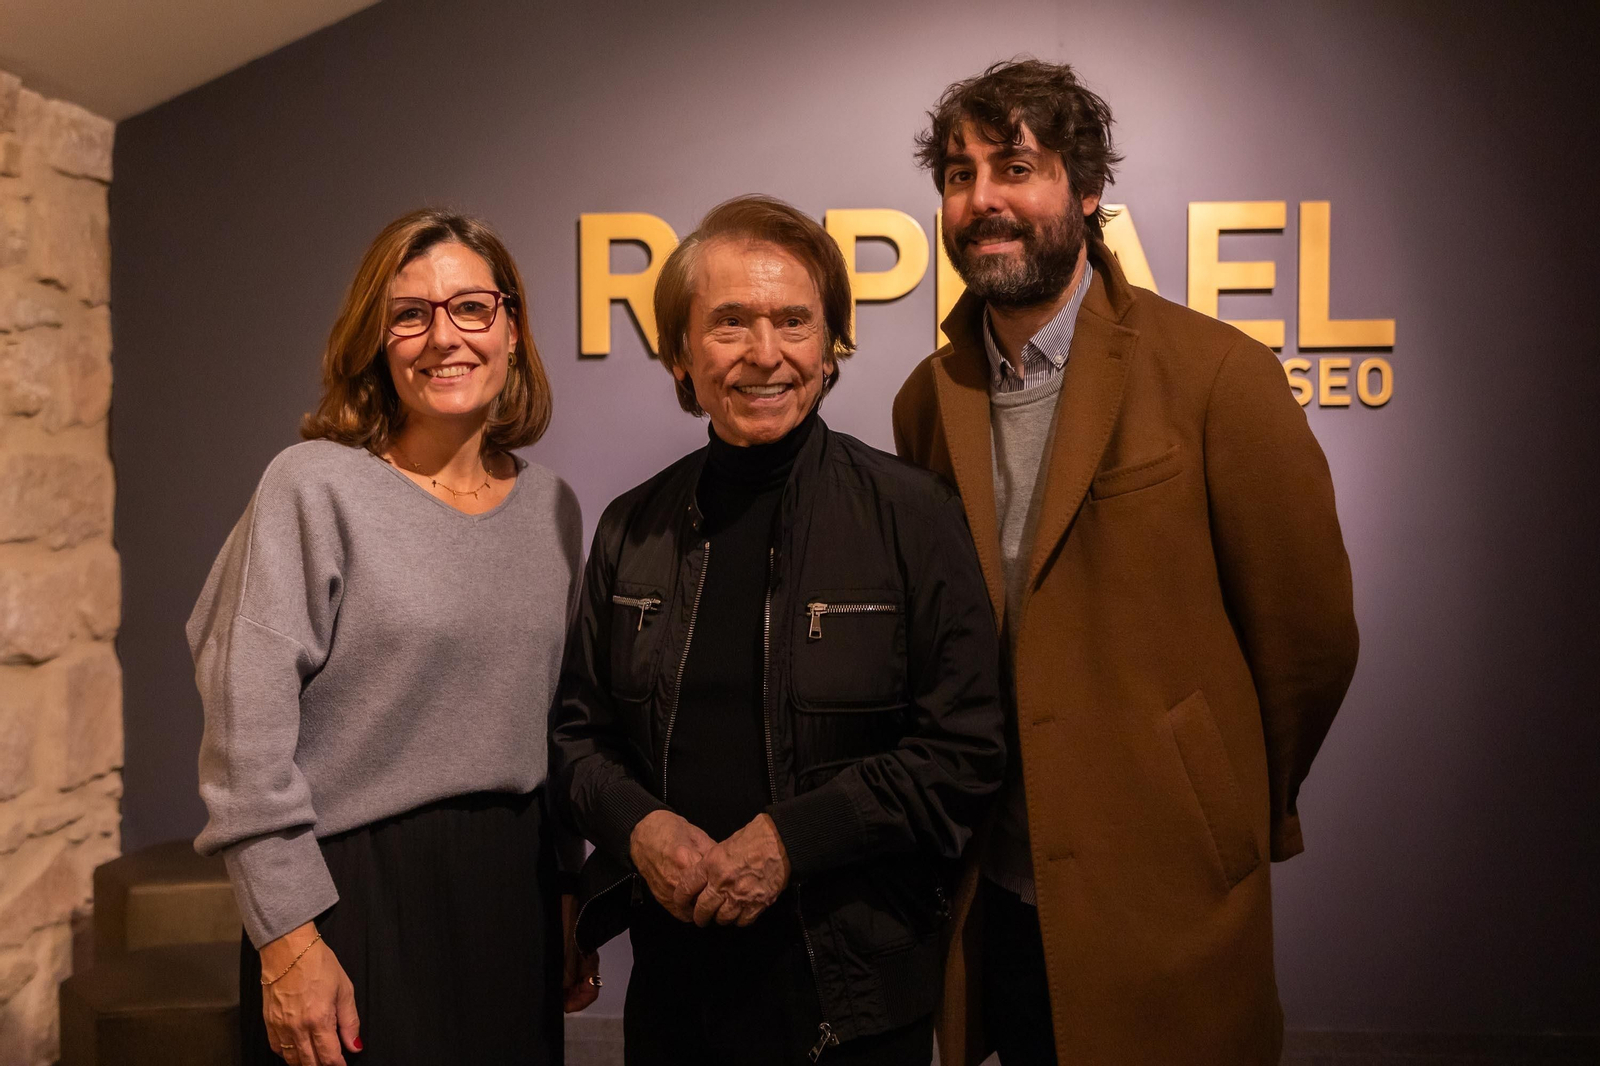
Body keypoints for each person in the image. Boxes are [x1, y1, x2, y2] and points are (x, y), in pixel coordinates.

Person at [892, 59, 1361, 1066]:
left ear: (1087, 189)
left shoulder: (1215, 375)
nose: (983, 200)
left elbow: (1309, 640)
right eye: (959, 174)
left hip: (1168, 893)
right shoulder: (926, 400)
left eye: (1014, 166)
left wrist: (1210, 796)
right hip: (995, 890)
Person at [550, 195, 1005, 1065]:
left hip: (853, 998)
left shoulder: (913, 516)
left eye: (794, 321)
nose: (766, 354)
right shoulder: (631, 527)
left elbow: (965, 749)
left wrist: (791, 840)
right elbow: (578, 738)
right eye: (730, 323)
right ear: (680, 353)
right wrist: (638, 826)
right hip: (677, 994)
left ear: (830, 346)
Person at [189, 208, 595, 1066]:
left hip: (510, 896)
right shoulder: (313, 488)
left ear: (512, 327)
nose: (441, 336)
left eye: (469, 308)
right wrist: (287, 938)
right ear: (379, 340)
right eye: (409, 314)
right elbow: (243, 742)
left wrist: (566, 887)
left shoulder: (553, 508)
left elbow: (555, 722)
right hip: (350, 901)